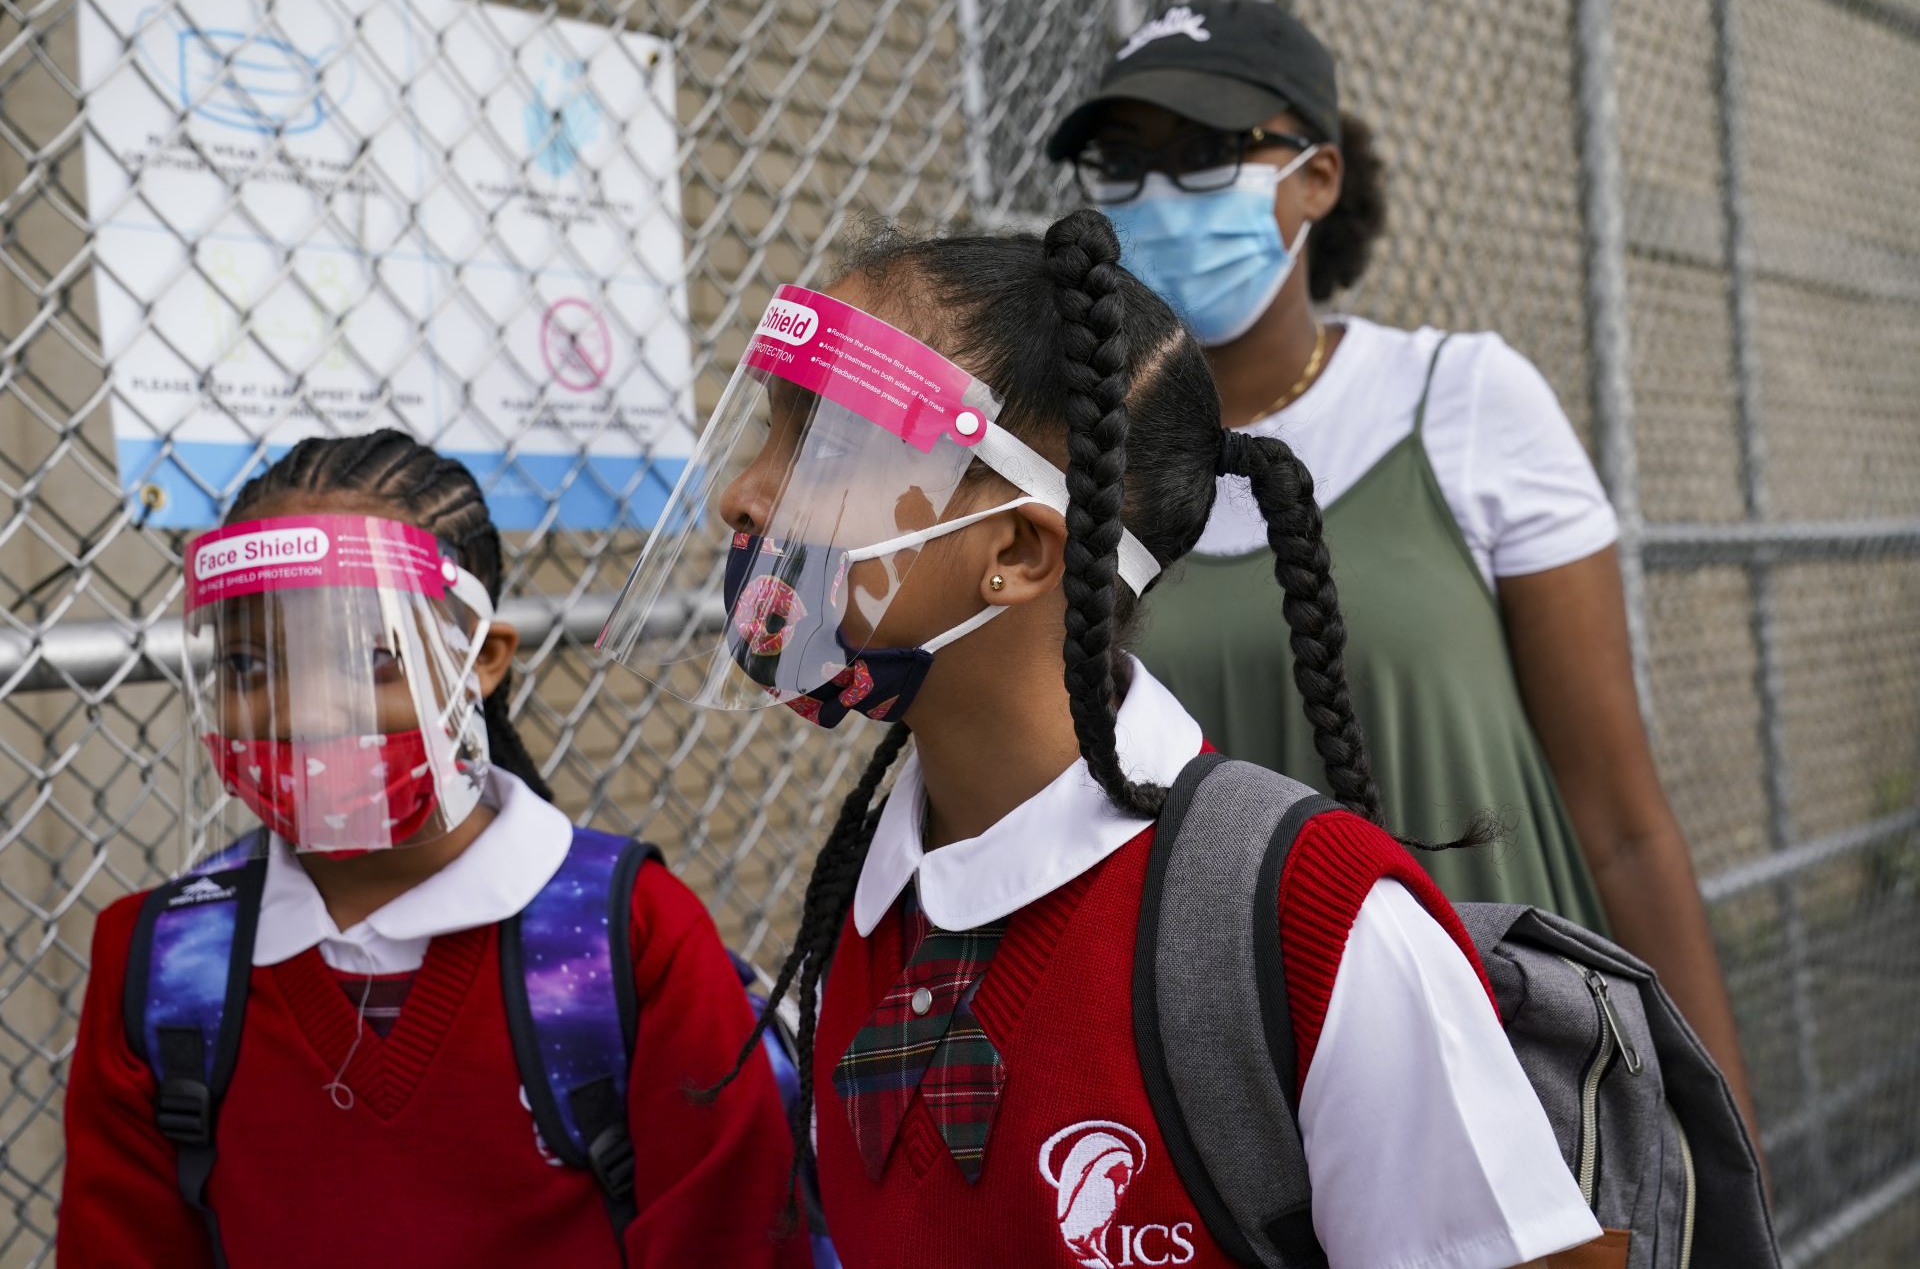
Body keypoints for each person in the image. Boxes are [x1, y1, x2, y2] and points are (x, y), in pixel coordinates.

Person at [602, 210, 1604, 1266]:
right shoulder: (871, 903)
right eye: (770, 428)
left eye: (825, 444)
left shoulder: (1312, 922)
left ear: (1019, 552)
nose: (742, 491)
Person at [1044, 0, 1759, 1133]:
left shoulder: (1460, 399)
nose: (1162, 197)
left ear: (1317, 176)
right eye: (1123, 163)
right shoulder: (1078, 472)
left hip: (1516, 1079)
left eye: (1209, 153)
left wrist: (1722, 1137)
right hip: (1241, 1121)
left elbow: (1623, 817)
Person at [60, 431, 807, 1269]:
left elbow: (732, 1240)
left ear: (481, 659)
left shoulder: (630, 941)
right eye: (246, 662)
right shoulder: (161, 968)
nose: (307, 706)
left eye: (375, 656)